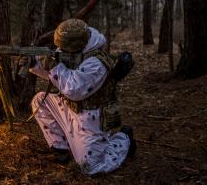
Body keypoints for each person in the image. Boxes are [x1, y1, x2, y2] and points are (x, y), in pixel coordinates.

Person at [29, 19, 136, 175]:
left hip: (90, 118)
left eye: (64, 48)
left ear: (75, 45)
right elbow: (57, 77)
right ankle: (62, 147)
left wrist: (54, 66)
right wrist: (35, 64)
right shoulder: (73, 50)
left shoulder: (97, 63)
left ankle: (123, 139)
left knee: (90, 167)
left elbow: (74, 89)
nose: (60, 50)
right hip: (69, 108)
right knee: (40, 100)